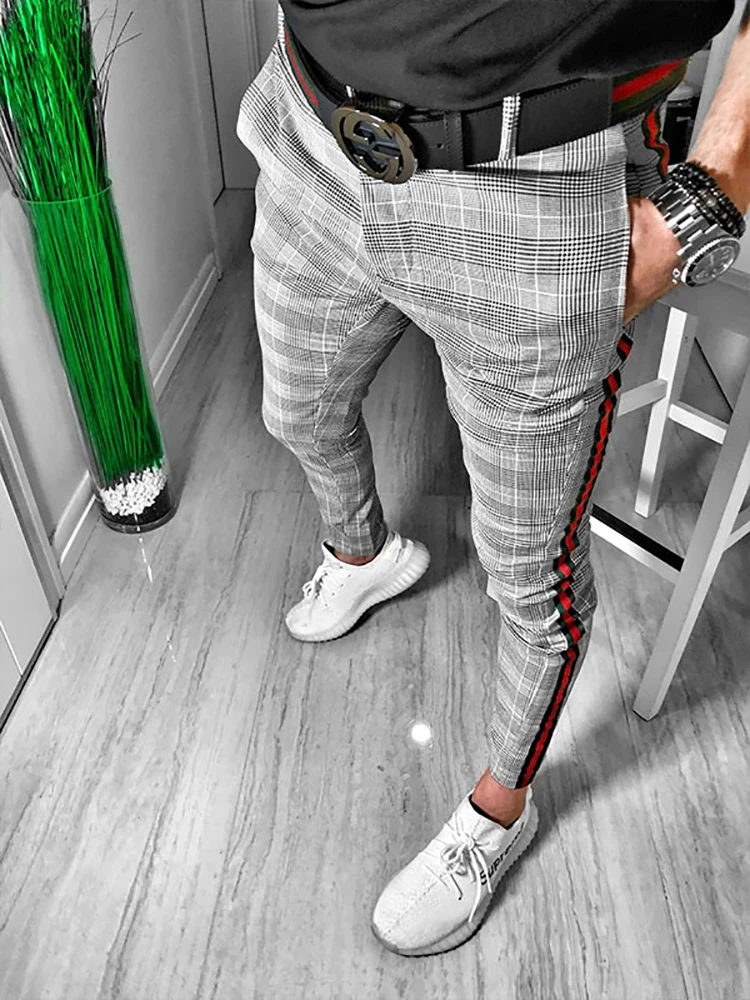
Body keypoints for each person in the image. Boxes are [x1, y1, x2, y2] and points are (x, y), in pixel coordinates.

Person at [236, 0, 750, 958]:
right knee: (296, 406)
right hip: (315, 127)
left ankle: (497, 813)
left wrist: (703, 202)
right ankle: (363, 553)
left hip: (543, 183)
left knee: (528, 580)